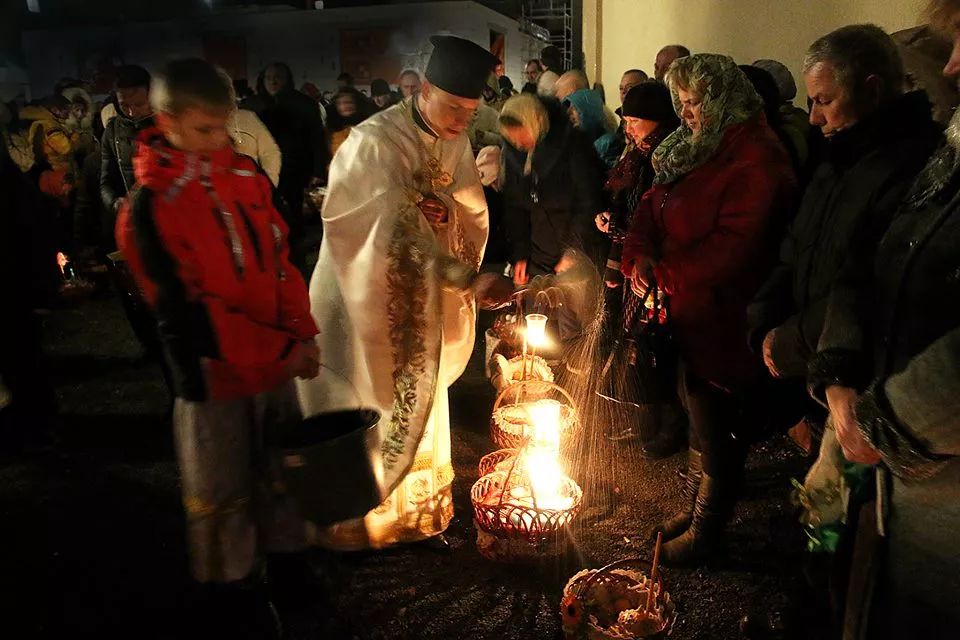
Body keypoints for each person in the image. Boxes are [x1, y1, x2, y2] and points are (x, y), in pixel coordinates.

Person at [115, 58, 320, 638]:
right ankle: (233, 594)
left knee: (282, 469)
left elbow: (280, 260)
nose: (218, 143)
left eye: (224, 129)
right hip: (213, 377)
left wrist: (300, 330)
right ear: (168, 120)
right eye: (204, 131)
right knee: (221, 488)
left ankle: (288, 568)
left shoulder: (245, 175)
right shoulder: (151, 208)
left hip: (274, 360)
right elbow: (193, 316)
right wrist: (283, 352)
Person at [297, 35, 512, 552]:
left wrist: (443, 213)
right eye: (455, 107)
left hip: (426, 299)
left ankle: (415, 517)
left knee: (423, 393)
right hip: (363, 299)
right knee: (370, 395)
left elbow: (468, 207)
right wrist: (458, 269)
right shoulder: (375, 142)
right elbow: (376, 231)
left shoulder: (455, 139)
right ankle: (362, 523)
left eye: (471, 110)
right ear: (425, 90)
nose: (462, 121)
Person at [805, 6, 960, 637]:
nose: (951, 66)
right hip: (887, 452)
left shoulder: (908, 155)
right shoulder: (943, 164)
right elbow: (863, 264)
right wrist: (839, 372)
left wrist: (879, 421)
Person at [620, 54, 796, 565]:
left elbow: (737, 246)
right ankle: (697, 507)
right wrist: (639, 253)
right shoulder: (690, 149)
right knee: (697, 409)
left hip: (725, 314)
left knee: (717, 421)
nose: (689, 112)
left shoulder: (758, 158)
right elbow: (652, 207)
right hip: (687, 310)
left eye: (697, 101)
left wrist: (665, 273)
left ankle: (708, 529)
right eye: (684, 103)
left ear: (723, 97)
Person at [747, 25, 942, 453]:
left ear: (871, 90)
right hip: (811, 365)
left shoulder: (913, 167)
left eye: (824, 100)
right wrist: (763, 323)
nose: (813, 118)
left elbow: (871, 280)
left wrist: (790, 343)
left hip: (858, 380)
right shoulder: (836, 159)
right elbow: (793, 250)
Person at [500, 93, 607, 293]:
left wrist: (574, 249)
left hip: (575, 256)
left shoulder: (573, 145)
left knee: (571, 319)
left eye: (522, 134)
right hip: (538, 256)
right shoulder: (516, 154)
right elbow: (515, 207)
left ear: (536, 123)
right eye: (512, 139)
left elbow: (590, 201)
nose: (519, 143)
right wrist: (520, 254)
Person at [251, 62, 330, 272]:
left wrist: (317, 171)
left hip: (296, 174)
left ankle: (295, 264)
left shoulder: (304, 105)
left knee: (293, 223)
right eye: (269, 77)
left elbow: (317, 140)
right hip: (264, 176)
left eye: (278, 77)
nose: (273, 81)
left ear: (287, 79)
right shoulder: (255, 106)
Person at [100, 65, 153, 219]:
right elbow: (106, 180)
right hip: (134, 217)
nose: (131, 112)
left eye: (139, 104)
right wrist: (114, 202)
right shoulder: (112, 130)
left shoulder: (167, 125)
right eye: (124, 105)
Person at [564, 87, 619, 167]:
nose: (568, 112)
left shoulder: (609, 143)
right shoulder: (578, 140)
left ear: (588, 110)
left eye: (574, 108)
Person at [326, 89, 366, 157]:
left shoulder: (366, 126)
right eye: (339, 103)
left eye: (348, 102)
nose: (344, 106)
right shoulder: (332, 128)